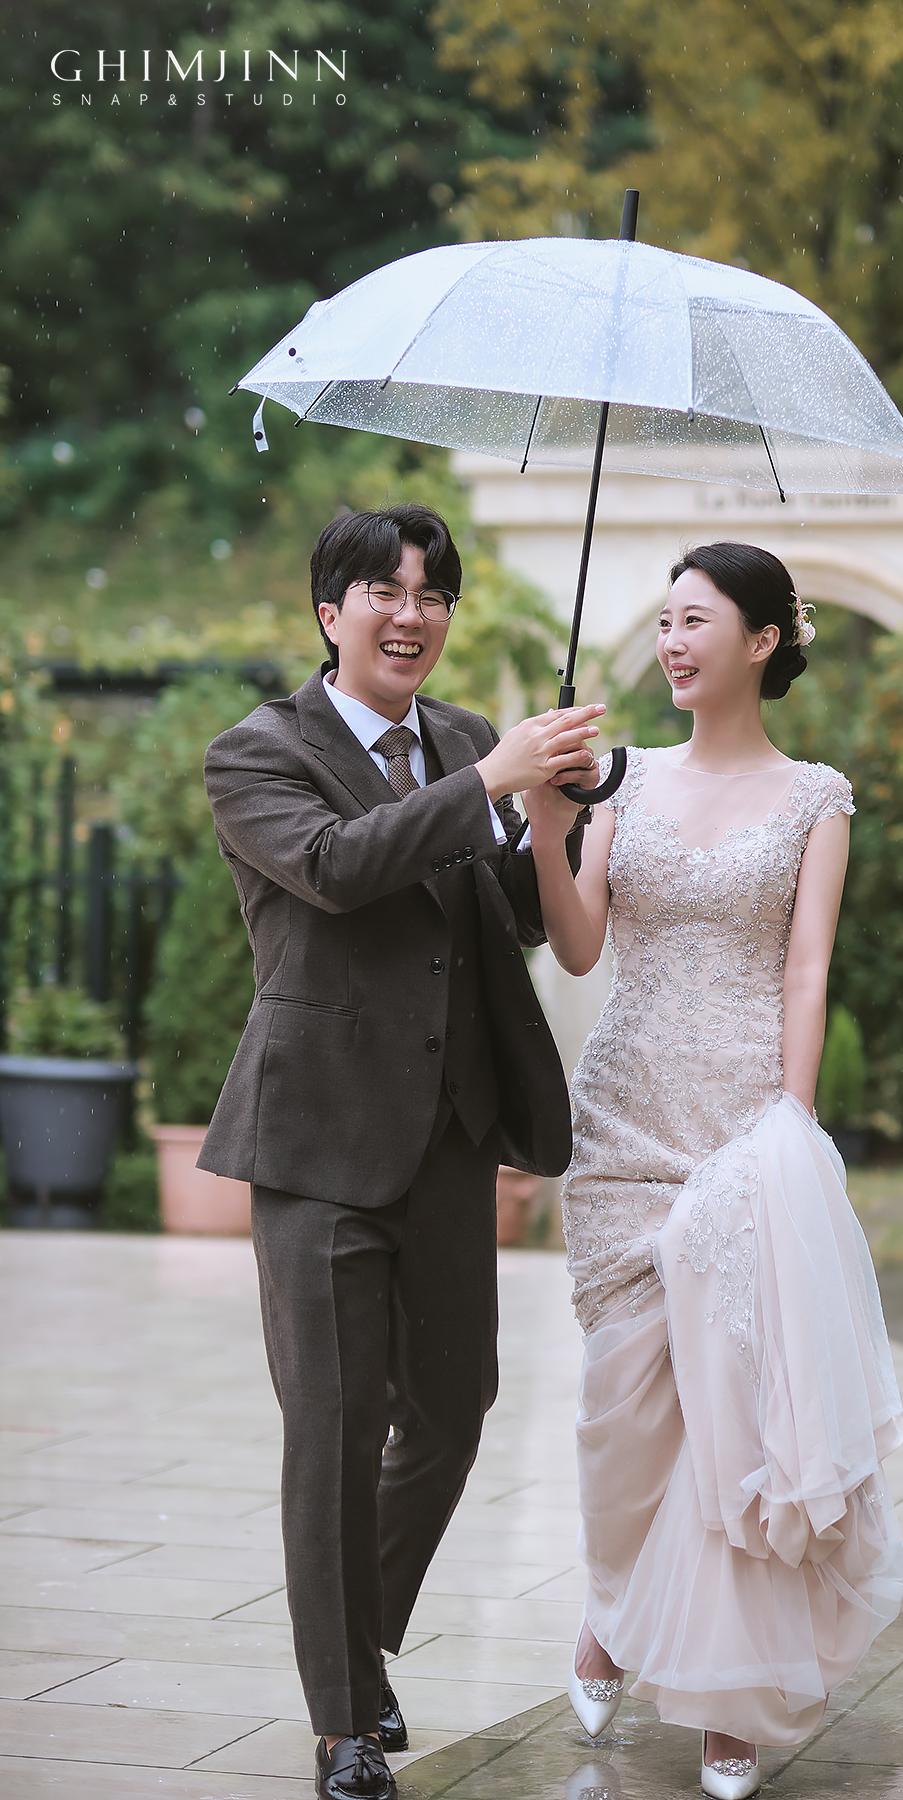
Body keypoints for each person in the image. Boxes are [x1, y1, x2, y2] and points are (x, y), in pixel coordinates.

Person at [198, 502, 602, 1800]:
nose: (411, 613)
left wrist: (550, 812)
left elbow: (510, 924)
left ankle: (353, 1634)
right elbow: (336, 867)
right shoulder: (258, 753)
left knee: (451, 1410)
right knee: (331, 1428)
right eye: (384, 589)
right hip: (316, 1138)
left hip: (448, 1136)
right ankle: (343, 1725)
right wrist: (485, 786)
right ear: (331, 612)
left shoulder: (471, 740)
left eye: (433, 593)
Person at [522, 542, 903, 1800]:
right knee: (624, 1411)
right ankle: (611, 1609)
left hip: (744, 1123)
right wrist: (548, 826)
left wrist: (790, 1125)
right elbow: (579, 948)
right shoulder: (622, 778)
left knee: (733, 1416)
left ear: (761, 640)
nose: (673, 643)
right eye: (665, 622)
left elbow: (807, 966)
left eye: (697, 621)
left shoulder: (816, 797)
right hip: (624, 1121)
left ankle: (727, 1700)